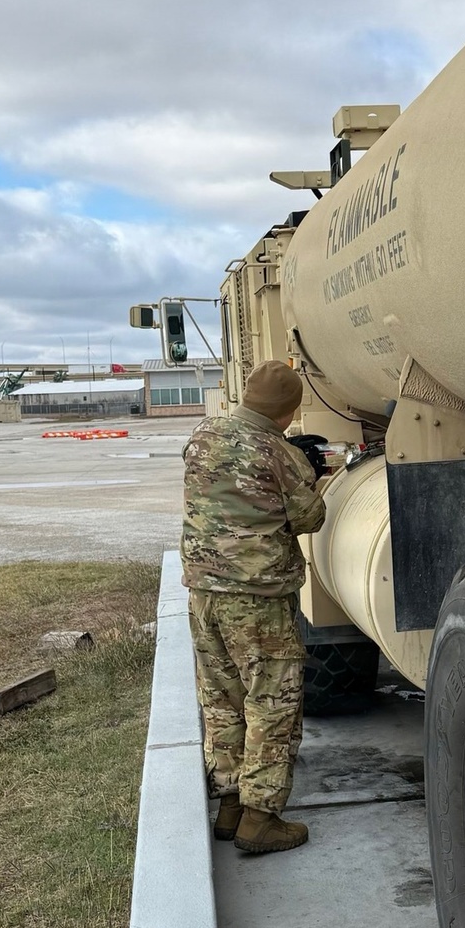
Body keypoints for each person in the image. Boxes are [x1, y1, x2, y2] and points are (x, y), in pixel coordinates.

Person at [181, 359, 326, 854]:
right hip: (257, 601)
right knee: (272, 704)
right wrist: (311, 471)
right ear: (288, 411)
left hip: (203, 595)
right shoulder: (281, 453)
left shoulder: (203, 434)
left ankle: (230, 808)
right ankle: (261, 818)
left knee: (221, 700)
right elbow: (308, 518)